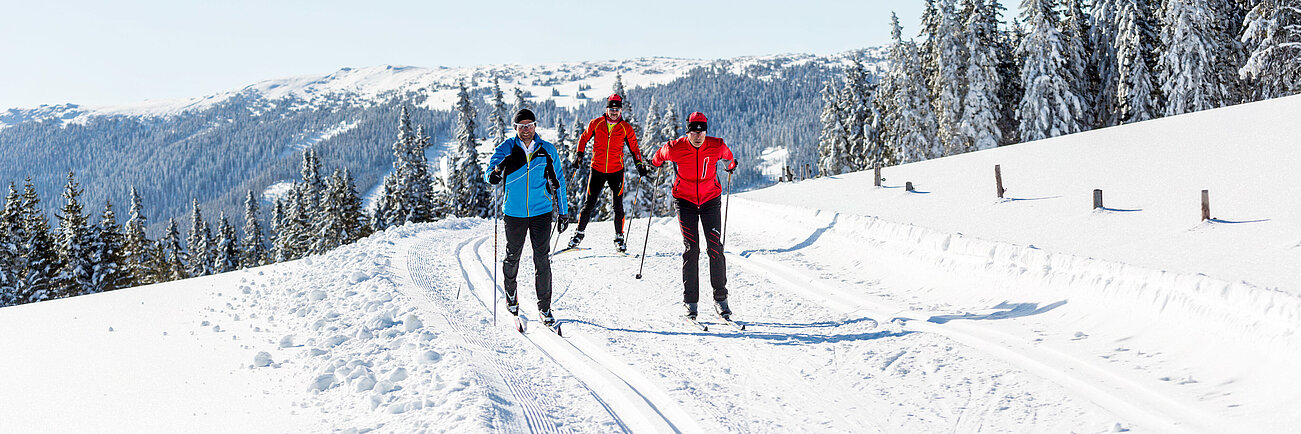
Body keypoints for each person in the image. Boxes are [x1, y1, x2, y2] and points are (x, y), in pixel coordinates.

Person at [649, 112, 737, 320]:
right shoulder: (675, 148)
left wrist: (730, 166)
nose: (698, 135)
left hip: (710, 200)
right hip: (685, 201)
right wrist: (656, 163)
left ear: (706, 131)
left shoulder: (716, 145)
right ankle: (691, 302)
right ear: (688, 131)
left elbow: (729, 157)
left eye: (702, 130)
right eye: (694, 131)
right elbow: (658, 156)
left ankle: (721, 299)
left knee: (715, 247)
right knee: (692, 249)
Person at [485, 109, 569, 326]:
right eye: (521, 126)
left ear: (535, 125)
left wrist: (563, 212)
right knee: (513, 256)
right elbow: (490, 171)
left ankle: (545, 308)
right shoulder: (507, 149)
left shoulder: (546, 150)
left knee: (542, 259)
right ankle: (511, 295)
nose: (526, 129)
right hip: (514, 213)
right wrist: (493, 175)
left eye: (529, 125)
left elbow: (558, 181)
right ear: (515, 128)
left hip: (541, 212)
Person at [568, 93, 651, 252]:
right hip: (597, 169)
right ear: (607, 109)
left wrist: (639, 164)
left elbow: (634, 148)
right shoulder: (596, 123)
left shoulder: (625, 128)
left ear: (621, 110)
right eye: (611, 109)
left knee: (617, 205)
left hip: (616, 171)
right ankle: (578, 234)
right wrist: (579, 154)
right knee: (589, 203)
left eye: (617, 109)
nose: (614, 112)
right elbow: (583, 139)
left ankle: (619, 238)